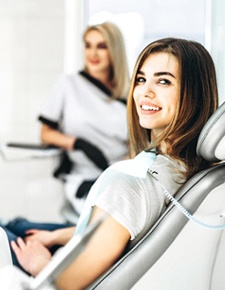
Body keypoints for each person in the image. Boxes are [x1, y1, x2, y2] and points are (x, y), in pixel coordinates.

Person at [9, 37, 218, 290]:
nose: (144, 92)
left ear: (194, 93)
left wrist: (41, 264)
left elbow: (63, 285)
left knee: (7, 230)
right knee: (19, 225)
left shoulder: (130, 185)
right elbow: (121, 225)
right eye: (141, 79)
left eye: (163, 81)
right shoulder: (193, 173)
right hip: (86, 242)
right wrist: (57, 236)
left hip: (54, 272)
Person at [38, 21, 130, 223]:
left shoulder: (129, 92)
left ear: (114, 50)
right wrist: (78, 144)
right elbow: (45, 133)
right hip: (84, 176)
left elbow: (136, 145)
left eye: (101, 46)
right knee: (102, 221)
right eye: (88, 45)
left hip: (118, 173)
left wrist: (116, 172)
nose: (93, 53)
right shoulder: (69, 84)